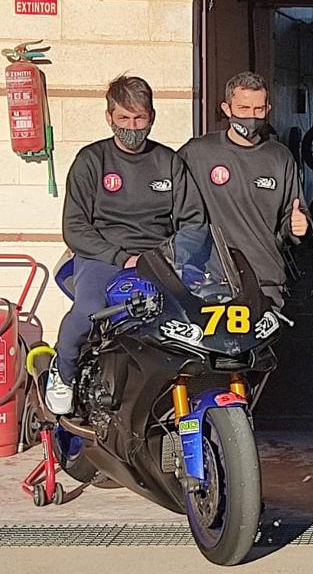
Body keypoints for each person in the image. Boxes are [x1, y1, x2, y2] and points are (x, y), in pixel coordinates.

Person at [46, 75, 206, 414]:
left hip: (160, 259)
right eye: (123, 119)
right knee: (88, 311)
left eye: (139, 119)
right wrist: (120, 257)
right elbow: (75, 227)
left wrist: (172, 256)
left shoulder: (170, 162)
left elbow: (194, 223)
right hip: (102, 256)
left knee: (198, 313)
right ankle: (64, 372)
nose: (132, 127)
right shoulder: (92, 161)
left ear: (152, 117)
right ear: (109, 117)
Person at [178, 71, 308, 308]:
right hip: (210, 281)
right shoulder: (198, 153)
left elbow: (295, 211)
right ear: (227, 109)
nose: (251, 117)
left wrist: (297, 225)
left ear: (268, 109)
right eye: (244, 108)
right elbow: (171, 201)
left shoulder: (280, 157)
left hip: (265, 280)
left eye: (258, 109)